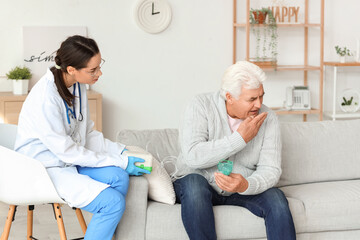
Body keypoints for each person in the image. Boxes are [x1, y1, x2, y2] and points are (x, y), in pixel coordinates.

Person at [14, 35, 150, 240]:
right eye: (93, 70)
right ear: (71, 69)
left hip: (66, 160)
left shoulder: (78, 85)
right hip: (44, 168)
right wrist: (121, 161)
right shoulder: (46, 97)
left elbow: (86, 134)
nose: (99, 73)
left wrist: (120, 151)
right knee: (112, 203)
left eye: (99, 66)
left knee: (119, 177)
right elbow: (67, 152)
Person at [173, 61, 296, 240]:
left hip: (240, 188)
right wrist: (240, 139)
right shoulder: (200, 105)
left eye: (261, 96)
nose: (259, 104)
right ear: (229, 97)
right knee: (194, 185)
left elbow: (271, 169)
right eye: (252, 99)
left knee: (276, 198)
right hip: (200, 181)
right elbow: (193, 156)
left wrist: (246, 185)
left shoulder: (268, 119)